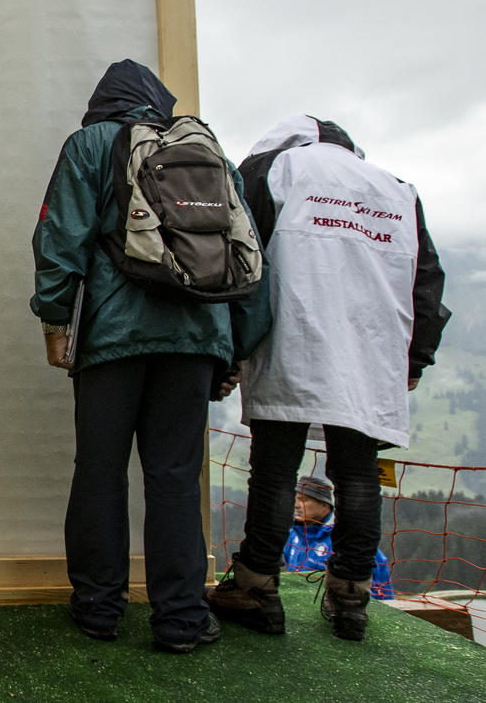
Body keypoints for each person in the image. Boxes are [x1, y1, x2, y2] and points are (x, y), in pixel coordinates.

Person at [30, 59, 269, 654]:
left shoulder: (91, 144)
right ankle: (182, 619)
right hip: (196, 341)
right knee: (175, 480)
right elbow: (250, 256)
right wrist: (232, 350)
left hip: (112, 338)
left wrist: (56, 320)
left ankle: (97, 609)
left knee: (101, 472)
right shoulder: (206, 149)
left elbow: (60, 237)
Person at [207, 114, 450, 642]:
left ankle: (255, 586)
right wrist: (415, 358)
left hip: (293, 337)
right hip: (372, 347)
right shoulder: (397, 190)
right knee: (358, 472)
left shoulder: (274, 171)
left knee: (274, 470)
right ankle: (351, 597)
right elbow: (426, 279)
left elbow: (237, 257)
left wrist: (227, 349)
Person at [284, 475, 394, 599]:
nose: (296, 505)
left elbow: (379, 579)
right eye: (295, 499)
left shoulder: (344, 541)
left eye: (304, 500)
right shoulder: (292, 538)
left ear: (325, 506)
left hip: (339, 608)